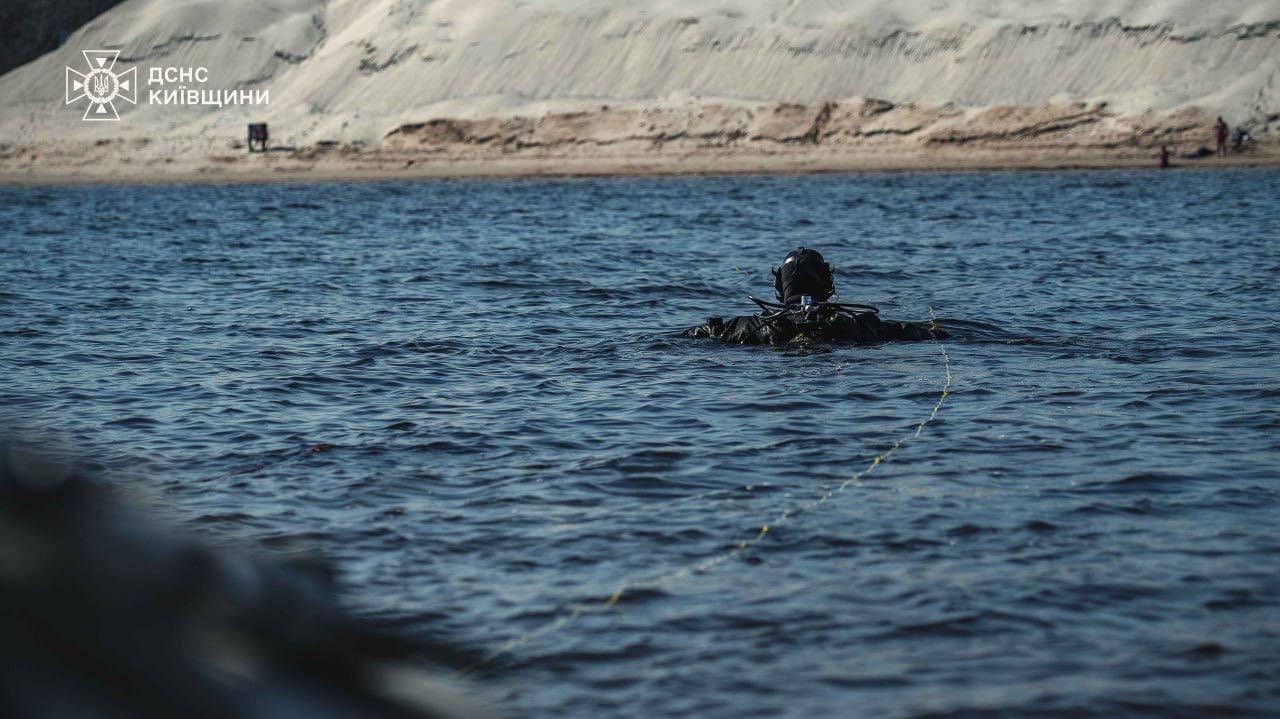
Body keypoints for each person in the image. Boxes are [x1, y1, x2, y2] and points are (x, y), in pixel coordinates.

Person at [682, 247, 945, 345]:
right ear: (827, 284)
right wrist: (935, 332)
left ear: (780, 285)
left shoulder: (751, 327)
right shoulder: (855, 324)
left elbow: (701, 334)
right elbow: (905, 331)